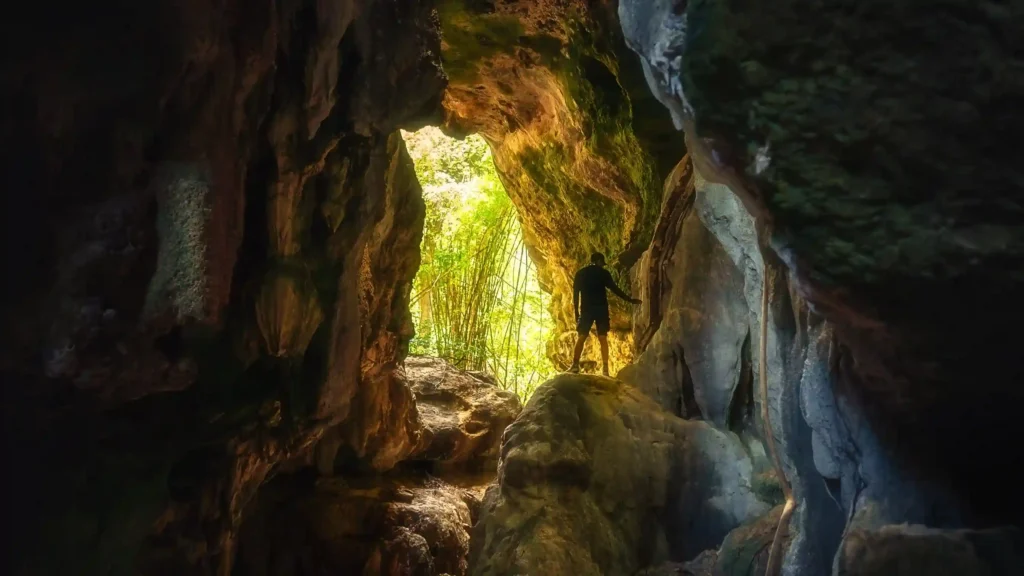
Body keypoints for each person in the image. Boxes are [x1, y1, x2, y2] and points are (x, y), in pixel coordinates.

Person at [568, 252, 641, 376]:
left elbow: (575, 294)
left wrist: (576, 312)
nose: (603, 265)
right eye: (602, 263)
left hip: (586, 310)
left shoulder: (580, 273)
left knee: (582, 336)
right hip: (601, 309)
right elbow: (615, 289)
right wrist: (629, 300)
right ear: (599, 261)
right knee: (602, 337)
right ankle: (605, 369)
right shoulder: (603, 274)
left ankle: (575, 365)